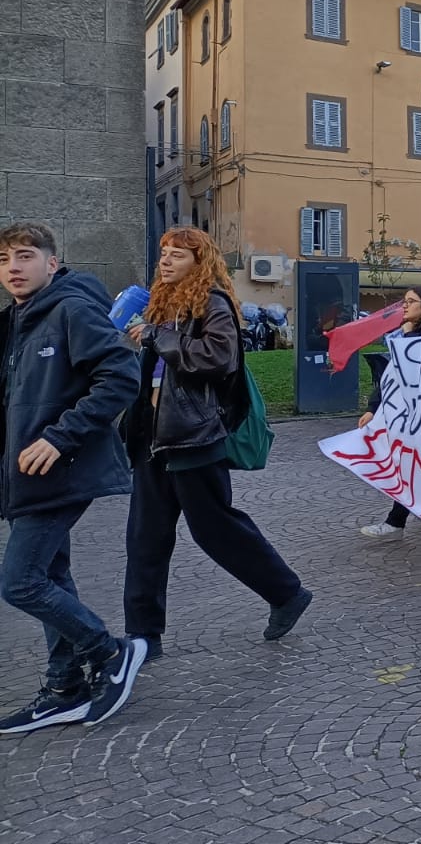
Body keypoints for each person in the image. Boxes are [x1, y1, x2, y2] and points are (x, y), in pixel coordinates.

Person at [123, 227, 312, 659]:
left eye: (178, 256)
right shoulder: (163, 303)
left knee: (216, 529)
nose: (166, 261)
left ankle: (286, 592)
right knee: (145, 537)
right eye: (164, 254)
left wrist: (158, 337)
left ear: (200, 262)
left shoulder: (213, 302)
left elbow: (217, 358)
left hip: (194, 435)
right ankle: (142, 634)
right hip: (154, 435)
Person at [0, 222, 147, 733]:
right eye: (4, 260)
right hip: (28, 476)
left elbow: (121, 375)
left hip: (61, 470)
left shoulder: (70, 309)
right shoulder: (21, 321)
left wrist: (62, 437)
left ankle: (111, 652)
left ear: (52, 263)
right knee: (51, 576)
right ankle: (64, 688)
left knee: (20, 581)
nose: (13, 268)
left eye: (24, 256)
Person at [357, 286, 421, 538]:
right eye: (404, 301)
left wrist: (409, 337)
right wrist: (373, 408)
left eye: (411, 301)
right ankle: (401, 520)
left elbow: (417, 367)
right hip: (410, 415)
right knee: (408, 465)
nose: (405, 305)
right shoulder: (403, 335)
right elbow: (391, 377)